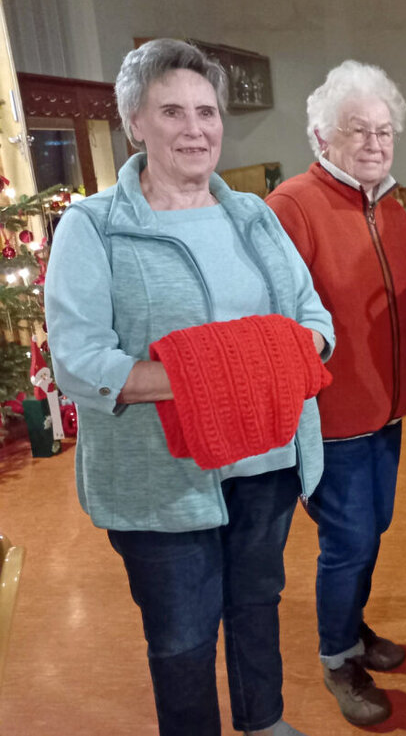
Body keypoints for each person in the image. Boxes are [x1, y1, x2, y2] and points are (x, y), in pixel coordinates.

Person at [43, 39, 335, 736]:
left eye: (207, 111)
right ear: (134, 122)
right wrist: (228, 373)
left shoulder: (254, 215)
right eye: (172, 111)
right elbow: (79, 362)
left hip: (267, 461)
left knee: (258, 603)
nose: (195, 129)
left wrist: (283, 356)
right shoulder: (95, 227)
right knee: (181, 637)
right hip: (163, 479)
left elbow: (315, 320)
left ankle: (264, 721)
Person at [266, 61, 406, 727]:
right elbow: (276, 323)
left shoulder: (392, 208)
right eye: (357, 129)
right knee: (349, 541)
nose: (374, 142)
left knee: (375, 529)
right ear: (322, 136)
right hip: (327, 417)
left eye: (384, 131)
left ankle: (353, 626)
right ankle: (338, 655)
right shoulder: (291, 207)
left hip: (384, 410)